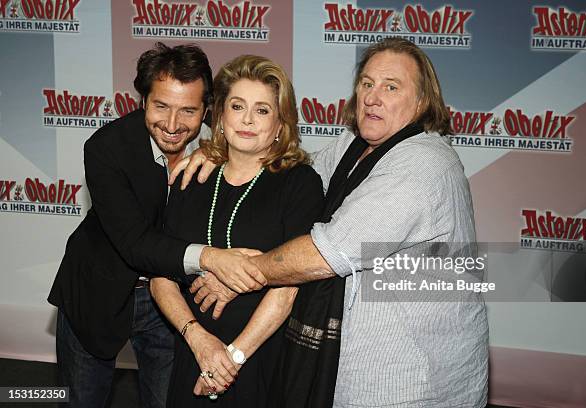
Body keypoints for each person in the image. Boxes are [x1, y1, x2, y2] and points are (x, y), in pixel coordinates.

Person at [173, 38, 489, 407]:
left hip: (413, 379)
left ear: (421, 103)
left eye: (391, 86)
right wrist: (218, 152)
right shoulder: (352, 145)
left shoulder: (424, 164)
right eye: (367, 83)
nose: (373, 96)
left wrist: (235, 273)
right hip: (359, 369)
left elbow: (324, 253)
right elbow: (286, 176)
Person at [47, 43, 231, 408]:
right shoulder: (106, 148)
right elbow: (135, 243)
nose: (173, 125)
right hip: (97, 291)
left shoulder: (223, 144)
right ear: (143, 100)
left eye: (189, 110)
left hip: (172, 298)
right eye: (161, 106)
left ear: (207, 108)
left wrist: (219, 150)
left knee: (167, 401)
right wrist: (211, 259)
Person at [150, 54, 323, 406]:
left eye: (262, 110)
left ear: (279, 125)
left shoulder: (299, 182)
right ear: (221, 116)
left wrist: (231, 359)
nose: (247, 119)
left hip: (259, 358)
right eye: (237, 106)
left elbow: (288, 287)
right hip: (193, 353)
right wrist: (198, 340)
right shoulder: (191, 177)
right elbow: (160, 275)